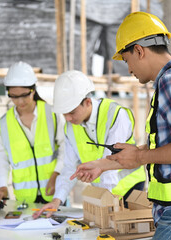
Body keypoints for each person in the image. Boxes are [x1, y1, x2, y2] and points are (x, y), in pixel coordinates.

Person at [71, 12, 171, 240]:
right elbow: (170, 146)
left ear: (140, 51)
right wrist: (102, 165)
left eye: (126, 60)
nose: (129, 69)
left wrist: (140, 158)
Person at [33, 70, 146, 219]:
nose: (67, 118)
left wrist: (107, 205)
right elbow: (69, 167)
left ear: (87, 102)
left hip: (131, 191)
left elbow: (110, 165)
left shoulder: (115, 115)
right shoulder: (71, 127)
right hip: (104, 195)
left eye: (71, 112)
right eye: (64, 113)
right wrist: (57, 201)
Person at [0, 61, 64, 208]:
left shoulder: (52, 114)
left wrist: (56, 174)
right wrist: (2, 187)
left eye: (24, 95)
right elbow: (0, 159)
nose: (20, 101)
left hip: (54, 195)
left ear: (33, 90)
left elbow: (66, 148)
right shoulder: (4, 123)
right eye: (14, 96)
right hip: (24, 201)